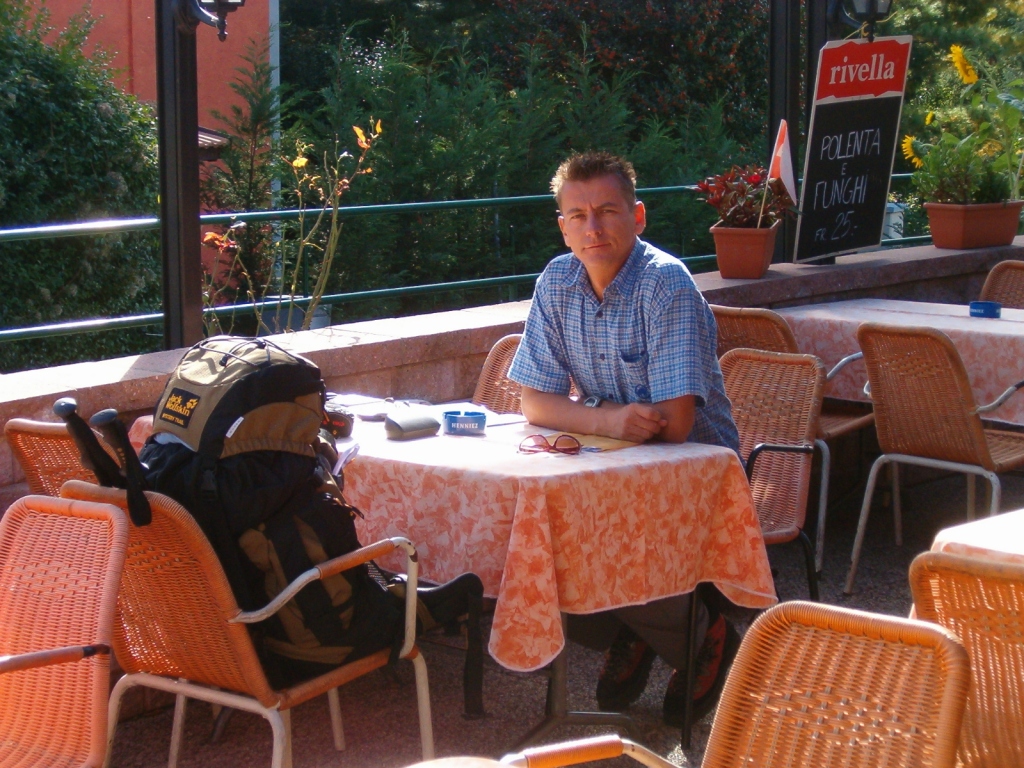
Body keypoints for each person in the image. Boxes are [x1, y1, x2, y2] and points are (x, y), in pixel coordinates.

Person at [507, 151, 741, 726]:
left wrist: (580, 416)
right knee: (541, 527)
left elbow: (675, 424)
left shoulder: (665, 284)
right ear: (563, 227)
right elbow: (534, 402)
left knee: (592, 524)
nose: (593, 227)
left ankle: (700, 632)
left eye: (608, 211)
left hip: (698, 472)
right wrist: (609, 421)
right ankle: (637, 625)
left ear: (637, 217)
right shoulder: (557, 280)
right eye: (578, 215)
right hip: (607, 459)